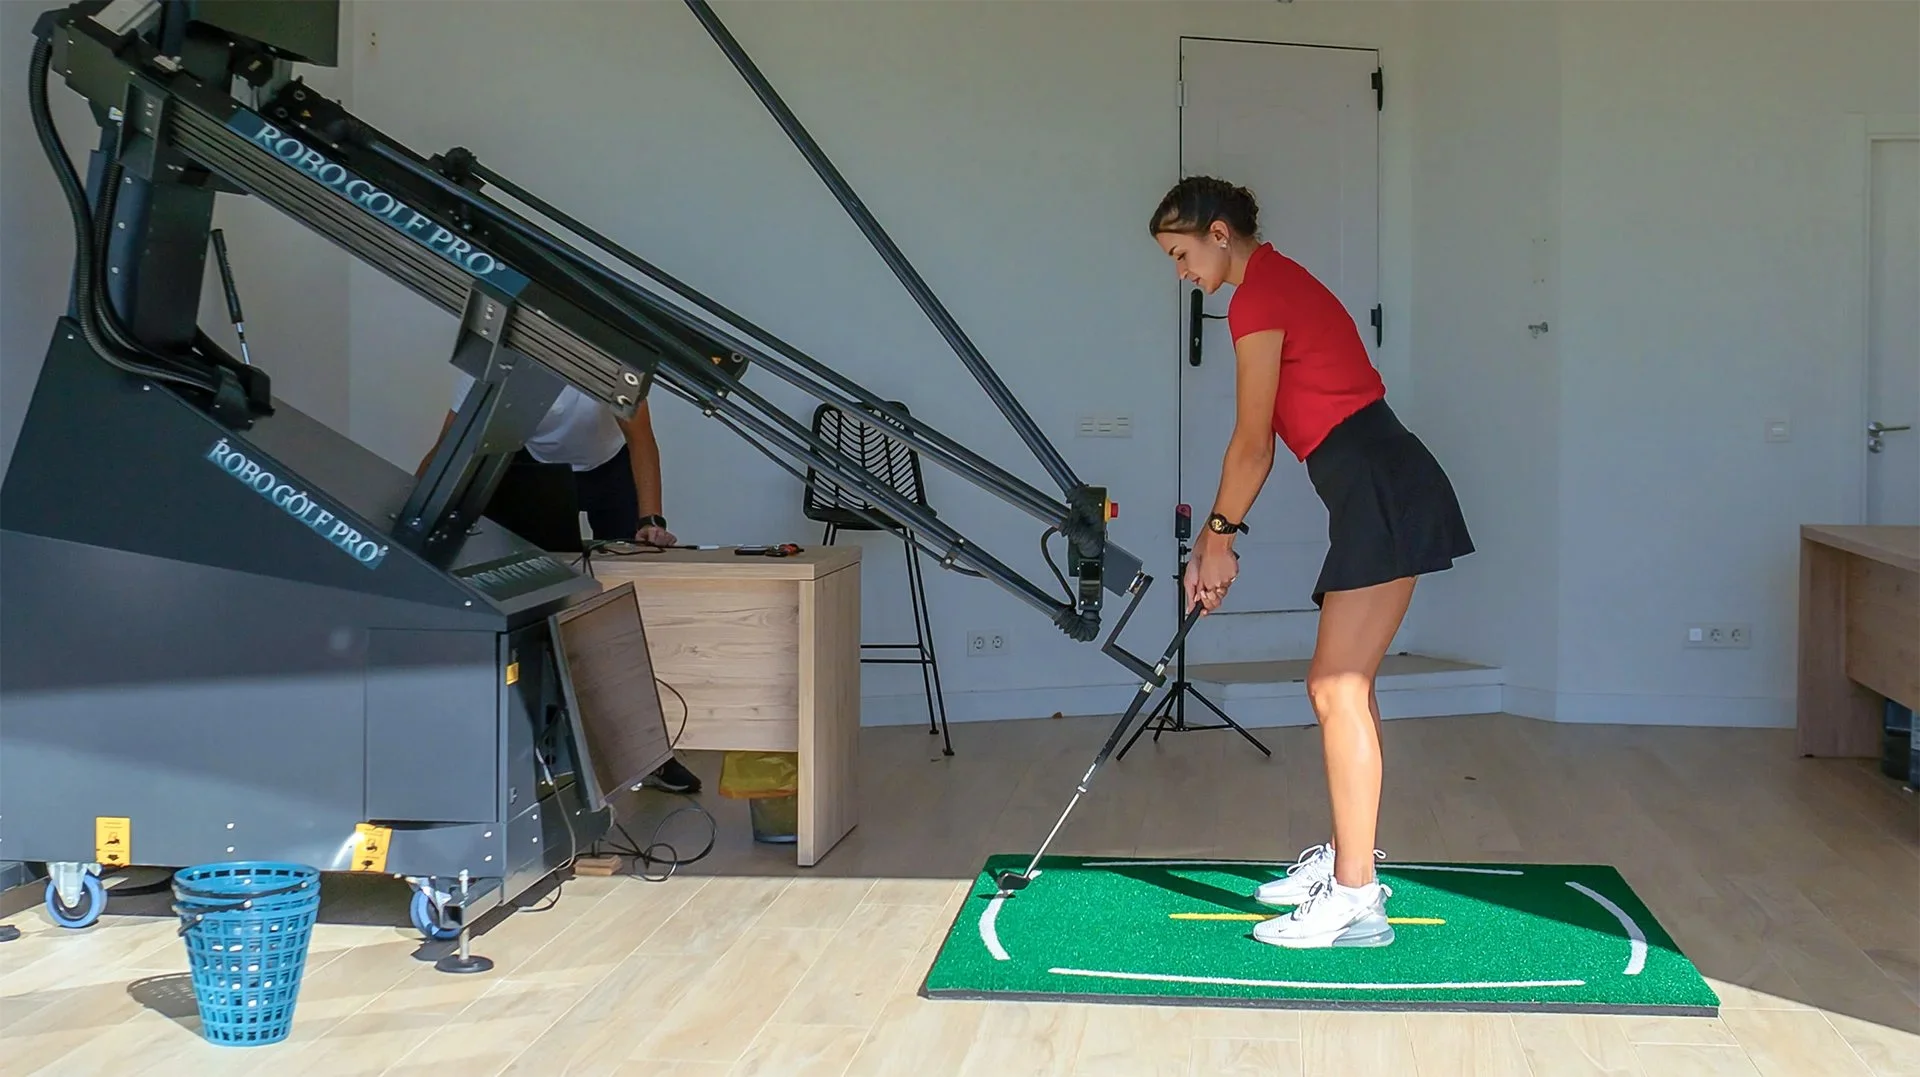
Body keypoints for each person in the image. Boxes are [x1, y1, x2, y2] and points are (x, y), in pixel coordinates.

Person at [1149, 176, 1473, 949]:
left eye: (1183, 253)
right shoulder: (1276, 280)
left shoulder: (1259, 297)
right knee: (1346, 687)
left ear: (1219, 234)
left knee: (1335, 687)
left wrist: (1218, 541)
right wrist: (1217, 538)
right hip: (1378, 483)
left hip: (1381, 485)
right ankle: (1349, 860)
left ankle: (1356, 896)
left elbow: (1253, 442)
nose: (1182, 273)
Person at [419, 372, 702, 795]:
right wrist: (417, 510)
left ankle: (652, 756)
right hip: (531, 468)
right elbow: (451, 444)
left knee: (626, 603)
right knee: (525, 602)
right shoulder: (492, 362)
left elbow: (642, 439)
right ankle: (526, 749)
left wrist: (651, 521)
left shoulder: (607, 359)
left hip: (608, 466)